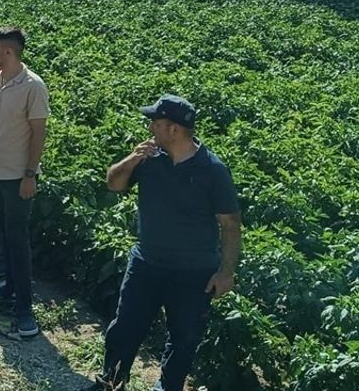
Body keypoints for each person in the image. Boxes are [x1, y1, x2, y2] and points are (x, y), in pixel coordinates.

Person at [81, 95, 241, 391]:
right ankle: (112, 381)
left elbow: (230, 224)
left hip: (193, 273)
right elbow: (113, 183)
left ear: (174, 130)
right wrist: (133, 158)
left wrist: (226, 272)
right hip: (147, 263)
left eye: (156, 122)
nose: (150, 127)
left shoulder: (213, 170)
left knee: (183, 339)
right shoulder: (150, 159)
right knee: (125, 328)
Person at [0, 27, 49, 339]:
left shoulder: (33, 87)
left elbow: (39, 134)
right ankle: (8, 289)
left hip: (17, 177)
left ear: (8, 52)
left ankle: (25, 311)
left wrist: (29, 175)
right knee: (3, 233)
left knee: (17, 240)